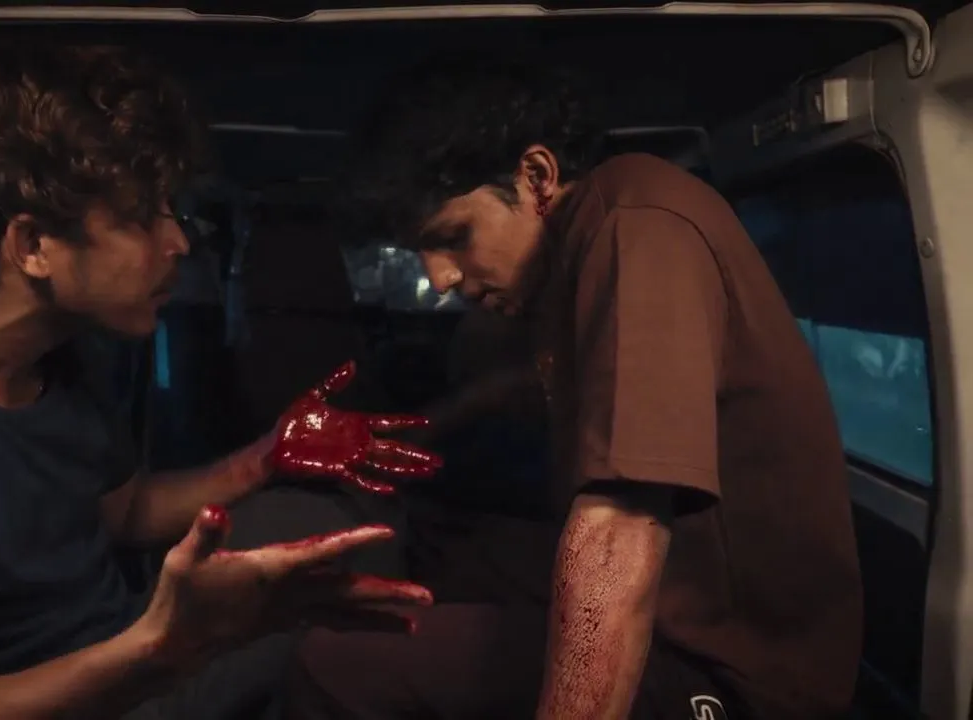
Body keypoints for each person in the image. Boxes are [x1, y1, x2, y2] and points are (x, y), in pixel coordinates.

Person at [0, 43, 442, 720]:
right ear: (34, 245)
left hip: (128, 649)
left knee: (352, 511)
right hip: (89, 693)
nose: (179, 242)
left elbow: (125, 515)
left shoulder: (66, 354)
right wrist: (159, 649)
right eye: (144, 216)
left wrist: (265, 458)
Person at [283, 62, 863, 719]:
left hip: (734, 669)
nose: (441, 278)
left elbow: (618, 527)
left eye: (454, 238)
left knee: (329, 666)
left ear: (536, 177)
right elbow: (540, 386)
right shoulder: (582, 251)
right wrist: (424, 427)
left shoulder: (636, 225)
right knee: (436, 548)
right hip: (683, 601)